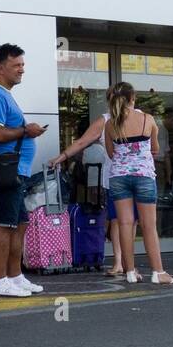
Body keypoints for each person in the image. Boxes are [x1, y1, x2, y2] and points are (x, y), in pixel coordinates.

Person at [0, 43, 47, 297]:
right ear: (0, 67)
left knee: (19, 224)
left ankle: (14, 277)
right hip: (3, 171)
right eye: (16, 65)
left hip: (14, 171)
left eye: (23, 65)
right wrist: (26, 131)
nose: (21, 70)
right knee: (5, 224)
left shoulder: (4, 94)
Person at [102, 82, 173, 285]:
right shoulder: (147, 119)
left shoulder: (110, 124)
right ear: (133, 98)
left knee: (125, 224)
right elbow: (155, 148)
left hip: (118, 177)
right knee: (149, 225)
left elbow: (111, 153)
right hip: (143, 176)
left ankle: (130, 272)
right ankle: (158, 272)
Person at [48, 99, 122, 276]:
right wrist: (62, 157)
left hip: (118, 177)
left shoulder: (130, 118)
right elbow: (82, 142)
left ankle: (123, 262)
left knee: (122, 221)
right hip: (116, 177)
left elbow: (82, 142)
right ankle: (123, 262)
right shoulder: (107, 121)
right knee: (121, 220)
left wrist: (61, 157)